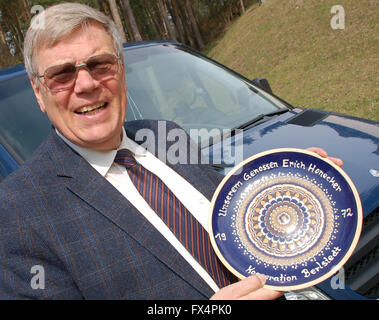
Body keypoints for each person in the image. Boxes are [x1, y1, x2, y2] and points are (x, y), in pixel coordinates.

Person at [0, 3, 342, 300]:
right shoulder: (17, 211)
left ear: (121, 70)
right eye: (61, 74)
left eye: (101, 64)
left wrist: (279, 182)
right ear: (39, 92)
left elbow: (227, 210)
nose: (87, 84)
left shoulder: (164, 135)